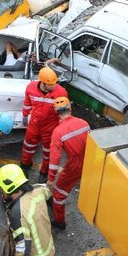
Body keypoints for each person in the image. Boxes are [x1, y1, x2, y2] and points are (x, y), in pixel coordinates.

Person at [47, 97, 90, 230]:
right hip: (90, 161)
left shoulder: (58, 132)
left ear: (57, 113)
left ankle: (60, 221)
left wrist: (50, 179)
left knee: (59, 192)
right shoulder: (84, 123)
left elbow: (54, 160)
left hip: (74, 165)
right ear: (70, 108)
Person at [20, 66, 68, 183]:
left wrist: (62, 126)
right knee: (28, 147)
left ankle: (44, 171)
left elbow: (64, 112)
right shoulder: (31, 88)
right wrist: (25, 115)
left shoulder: (61, 92)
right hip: (34, 125)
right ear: (43, 83)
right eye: (51, 84)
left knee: (48, 151)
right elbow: (27, 103)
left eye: (54, 83)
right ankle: (25, 165)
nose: (54, 86)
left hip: (50, 127)